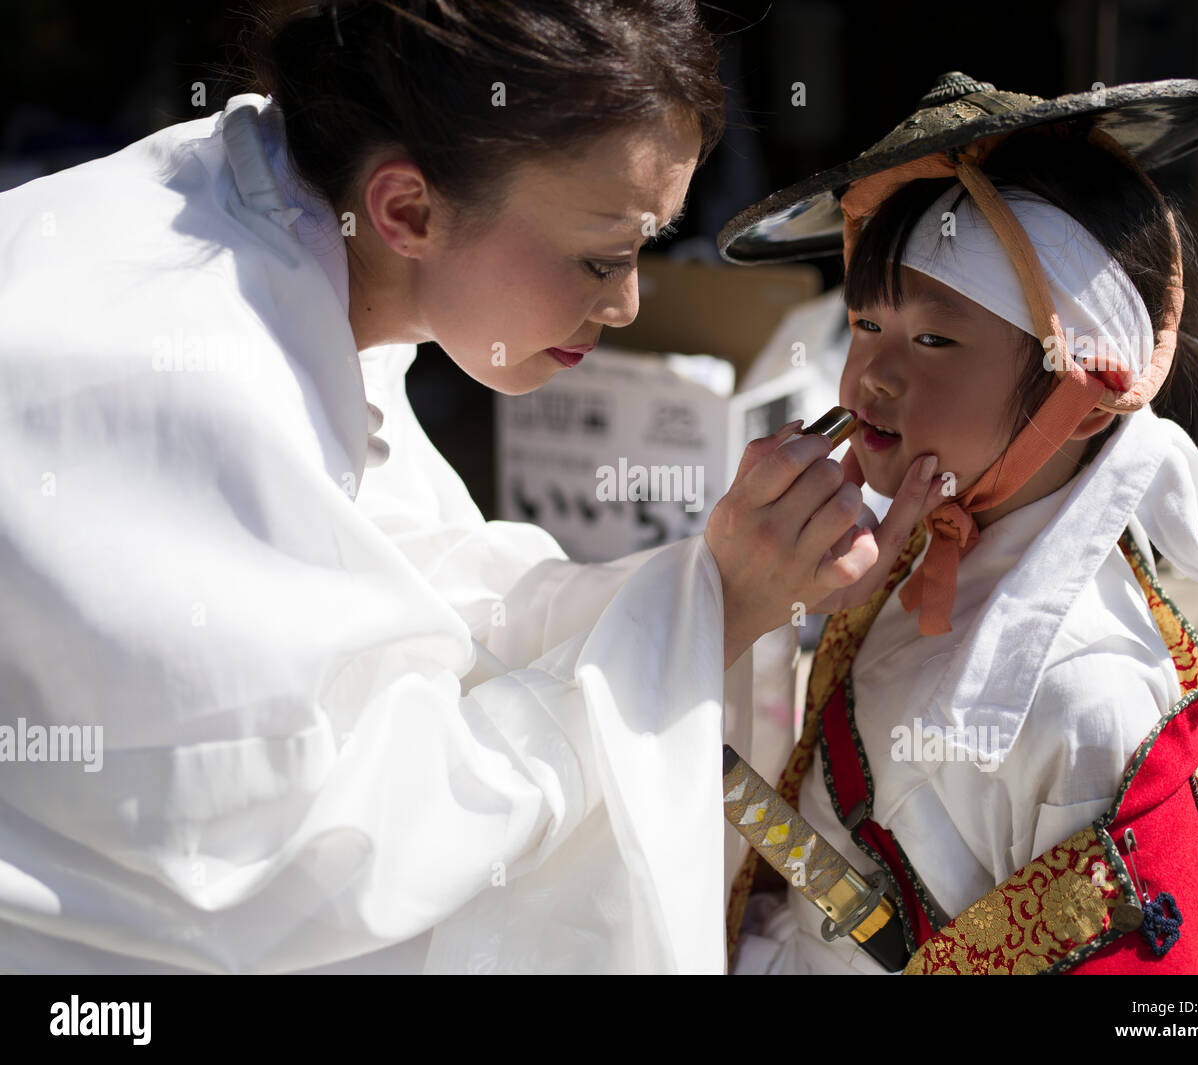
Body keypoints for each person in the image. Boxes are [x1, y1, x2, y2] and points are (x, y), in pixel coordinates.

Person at [0, 1, 945, 974]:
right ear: (406, 209)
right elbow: (306, 868)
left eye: (645, 250)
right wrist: (710, 613)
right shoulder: (180, 376)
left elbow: (425, 598)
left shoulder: (278, 210)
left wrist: (710, 587)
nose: (625, 303)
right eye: (601, 256)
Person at [721, 75, 1198, 974]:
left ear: (1086, 394)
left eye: (934, 339)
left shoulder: (1094, 699)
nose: (871, 379)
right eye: (865, 323)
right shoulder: (906, 554)